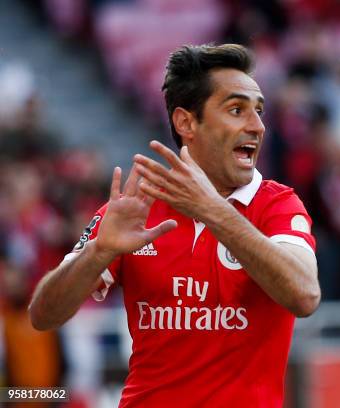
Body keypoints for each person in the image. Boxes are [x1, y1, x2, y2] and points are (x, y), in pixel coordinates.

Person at [28, 44, 320, 407]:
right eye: (236, 110)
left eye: (258, 111)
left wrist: (213, 211)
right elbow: (43, 315)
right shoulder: (135, 207)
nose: (257, 126)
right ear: (186, 123)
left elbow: (305, 294)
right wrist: (98, 252)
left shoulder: (277, 205)